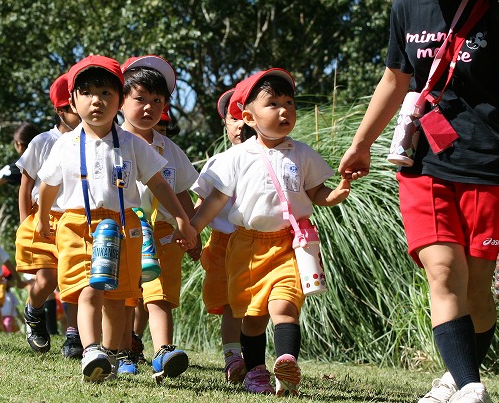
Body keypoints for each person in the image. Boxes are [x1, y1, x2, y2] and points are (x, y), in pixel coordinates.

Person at [338, 0, 499, 403]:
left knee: (477, 291)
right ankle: (471, 386)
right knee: (442, 270)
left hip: (488, 167)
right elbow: (393, 81)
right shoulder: (406, 6)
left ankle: (457, 375)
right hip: (422, 162)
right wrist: (362, 145)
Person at [36, 55, 197, 383]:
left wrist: (182, 217)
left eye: (107, 93)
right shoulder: (65, 145)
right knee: (88, 287)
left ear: (119, 99)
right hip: (77, 224)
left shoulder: (133, 144)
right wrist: (42, 220)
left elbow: (159, 183)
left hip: (125, 225)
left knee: (117, 294)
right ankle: (91, 349)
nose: (97, 100)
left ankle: (107, 355)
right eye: (88, 92)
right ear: (73, 100)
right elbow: (48, 186)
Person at [191, 68, 351, 395]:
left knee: (285, 305)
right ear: (249, 117)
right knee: (252, 316)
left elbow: (316, 191)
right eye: (273, 103)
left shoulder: (302, 153)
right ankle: (256, 371)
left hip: (288, 244)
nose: (284, 110)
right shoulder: (236, 157)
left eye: (289, 103)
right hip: (246, 247)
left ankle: (287, 361)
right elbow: (215, 200)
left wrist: (332, 195)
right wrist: (191, 228)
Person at [117, 55, 198, 380]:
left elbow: (181, 191)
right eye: (140, 99)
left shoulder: (169, 149)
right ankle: (124, 351)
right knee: (125, 294)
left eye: (157, 101)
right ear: (122, 101)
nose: (149, 107)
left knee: (160, 294)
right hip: (123, 228)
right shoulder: (112, 142)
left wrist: (190, 228)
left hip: (163, 231)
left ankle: (163, 350)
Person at [15, 72, 83, 357]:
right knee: (46, 279)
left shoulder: (91, 140)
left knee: (74, 278)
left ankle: (73, 334)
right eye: (71, 108)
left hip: (75, 218)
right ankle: (34, 312)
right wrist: (24, 222)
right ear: (60, 110)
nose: (79, 113)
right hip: (44, 217)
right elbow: (27, 182)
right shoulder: (43, 141)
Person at [191, 88, 248, 384]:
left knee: (256, 303)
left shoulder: (273, 158)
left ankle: (255, 358)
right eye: (233, 118)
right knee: (230, 304)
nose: (241, 125)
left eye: (245, 117)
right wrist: (191, 231)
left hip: (259, 241)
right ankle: (232, 357)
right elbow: (202, 202)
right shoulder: (218, 162)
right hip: (224, 244)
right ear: (225, 123)